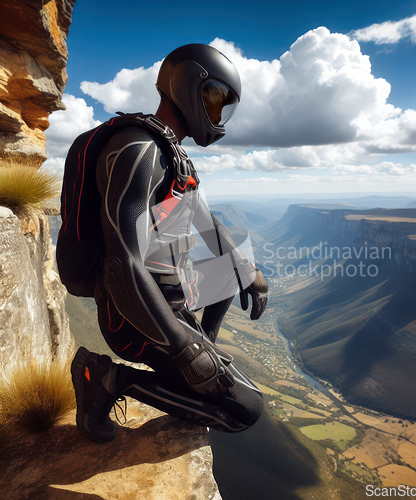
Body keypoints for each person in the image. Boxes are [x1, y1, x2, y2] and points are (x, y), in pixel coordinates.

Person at [67, 44, 268, 443]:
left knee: (233, 269)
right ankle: (105, 377)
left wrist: (249, 273)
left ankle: (198, 357)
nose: (218, 114)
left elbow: (209, 225)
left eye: (224, 106)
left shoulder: (172, 155)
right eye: (215, 99)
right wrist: (182, 348)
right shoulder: (137, 151)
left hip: (174, 295)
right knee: (245, 411)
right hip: (134, 315)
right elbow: (124, 263)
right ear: (188, 85)